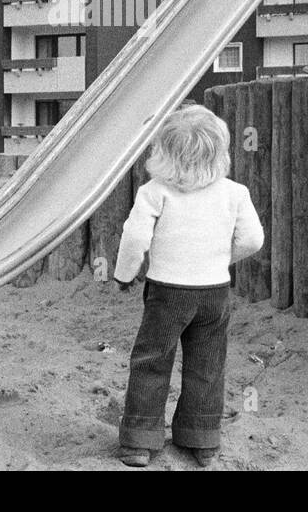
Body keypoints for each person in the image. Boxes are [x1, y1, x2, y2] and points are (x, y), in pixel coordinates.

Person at [112, 105, 264, 468]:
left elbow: (134, 237)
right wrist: (220, 259)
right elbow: (254, 239)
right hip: (214, 292)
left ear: (162, 153)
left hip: (168, 292)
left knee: (152, 360)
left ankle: (139, 439)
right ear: (221, 152)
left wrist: (124, 274)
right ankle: (202, 438)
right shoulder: (234, 192)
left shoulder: (155, 191)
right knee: (207, 364)